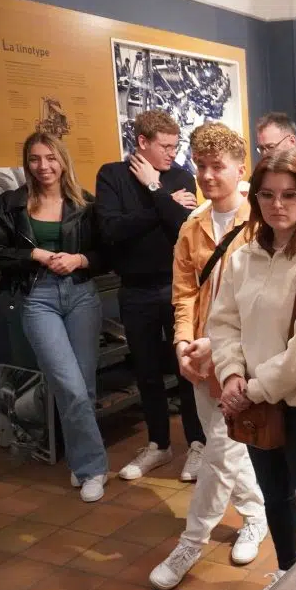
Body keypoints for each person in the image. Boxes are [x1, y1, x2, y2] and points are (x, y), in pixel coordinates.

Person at [208, 150, 296, 587]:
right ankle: (287, 576)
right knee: (274, 496)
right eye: (267, 195)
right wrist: (231, 374)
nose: (278, 204)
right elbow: (223, 320)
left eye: (289, 194)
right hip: (255, 401)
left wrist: (250, 389)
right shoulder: (244, 256)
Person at [149, 123, 268, 590]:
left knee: (219, 448)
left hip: (238, 356)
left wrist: (218, 348)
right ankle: (256, 515)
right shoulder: (192, 226)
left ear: (241, 169)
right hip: (198, 355)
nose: (207, 175)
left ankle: (190, 542)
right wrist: (182, 344)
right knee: (226, 446)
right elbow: (183, 294)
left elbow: (262, 304)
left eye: (217, 166)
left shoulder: (260, 226)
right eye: (200, 166)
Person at [0, 132, 109, 502]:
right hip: (37, 298)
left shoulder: (85, 204)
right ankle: (94, 467)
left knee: (82, 386)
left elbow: (107, 253)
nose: (44, 166)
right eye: (35, 159)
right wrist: (33, 255)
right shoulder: (9, 205)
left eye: (51, 158)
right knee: (67, 384)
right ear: (27, 163)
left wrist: (80, 259)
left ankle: (81, 462)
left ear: (63, 160)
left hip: (82, 294)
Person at [96, 109, 206, 482]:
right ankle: (159, 444)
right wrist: (160, 204)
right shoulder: (112, 175)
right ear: (142, 143)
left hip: (177, 286)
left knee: (186, 366)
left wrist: (157, 190)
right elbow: (111, 230)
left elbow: (181, 226)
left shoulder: (179, 176)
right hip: (135, 289)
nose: (172, 153)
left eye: (176, 146)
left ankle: (197, 444)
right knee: (146, 371)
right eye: (165, 146)